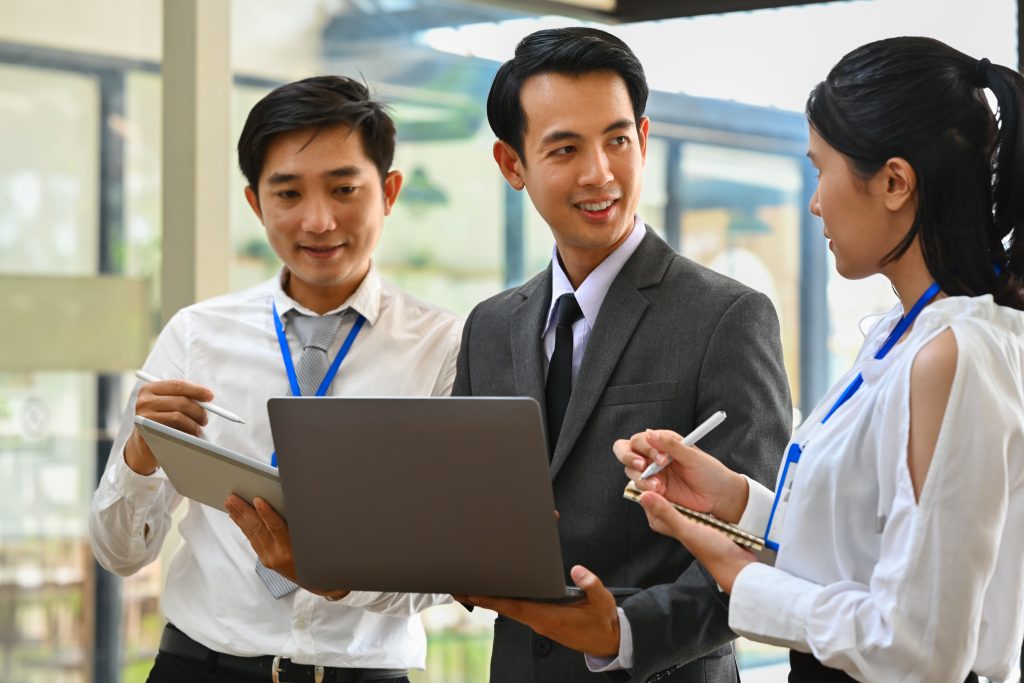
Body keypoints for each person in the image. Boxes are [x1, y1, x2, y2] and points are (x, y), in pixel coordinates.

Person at [615, 36, 1024, 683]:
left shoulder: (953, 355)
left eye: (819, 169)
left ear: (894, 182)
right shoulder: (904, 332)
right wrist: (733, 501)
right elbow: (863, 548)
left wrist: (737, 571)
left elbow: (919, 651)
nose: (814, 202)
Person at [89, 75, 462, 683]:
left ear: (389, 191)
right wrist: (138, 456)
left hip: (361, 672)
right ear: (256, 204)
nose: (317, 221)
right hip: (198, 666)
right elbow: (120, 553)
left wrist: (342, 579)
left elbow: (454, 567)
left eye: (344, 189)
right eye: (287, 194)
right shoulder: (195, 336)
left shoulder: (444, 348)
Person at [454, 27, 793, 682]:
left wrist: (622, 632)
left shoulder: (728, 317)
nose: (599, 173)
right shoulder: (490, 328)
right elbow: (466, 513)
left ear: (643, 138)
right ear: (511, 163)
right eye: (565, 148)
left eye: (617, 140)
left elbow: (763, 543)